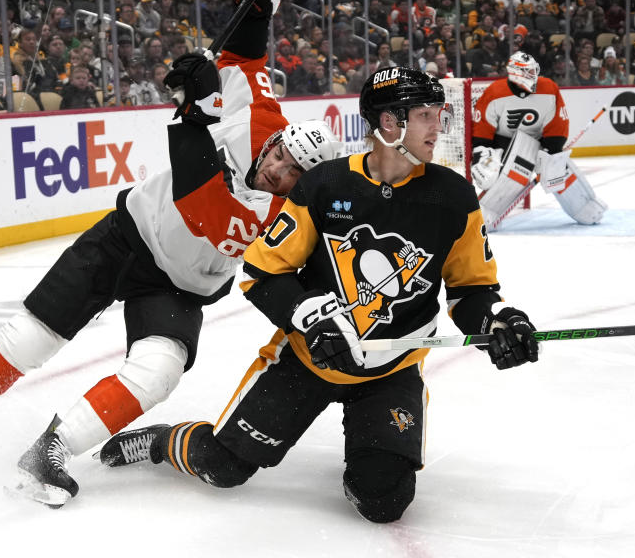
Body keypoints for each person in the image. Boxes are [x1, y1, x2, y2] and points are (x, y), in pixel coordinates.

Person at [0, 0, 340, 509]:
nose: (275, 168)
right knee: (30, 336)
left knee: (159, 372)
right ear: (282, 136)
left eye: (289, 175)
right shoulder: (264, 119)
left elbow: (194, 180)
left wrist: (191, 110)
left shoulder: (274, 215)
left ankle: (52, 450)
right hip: (125, 236)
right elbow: (244, 62)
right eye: (280, 153)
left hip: (178, 286)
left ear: (301, 188)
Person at [97, 66, 539, 523]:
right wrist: (312, 316)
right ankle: (160, 441)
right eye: (426, 115)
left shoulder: (454, 197)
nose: (438, 127)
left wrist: (498, 321)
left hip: (391, 371)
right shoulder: (326, 185)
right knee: (222, 466)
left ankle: (370, 447)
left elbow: (473, 291)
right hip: (308, 360)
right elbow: (262, 272)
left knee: (383, 500)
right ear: (389, 123)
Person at [470, 51, 606, 226]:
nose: (532, 76)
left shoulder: (548, 88)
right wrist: (482, 151)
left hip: (542, 142)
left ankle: (587, 208)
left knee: (557, 171)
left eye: (533, 71)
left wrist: (552, 152)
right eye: (527, 72)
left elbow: (557, 123)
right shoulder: (495, 92)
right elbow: (483, 127)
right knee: (513, 174)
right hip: (504, 143)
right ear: (515, 74)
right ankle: (485, 214)